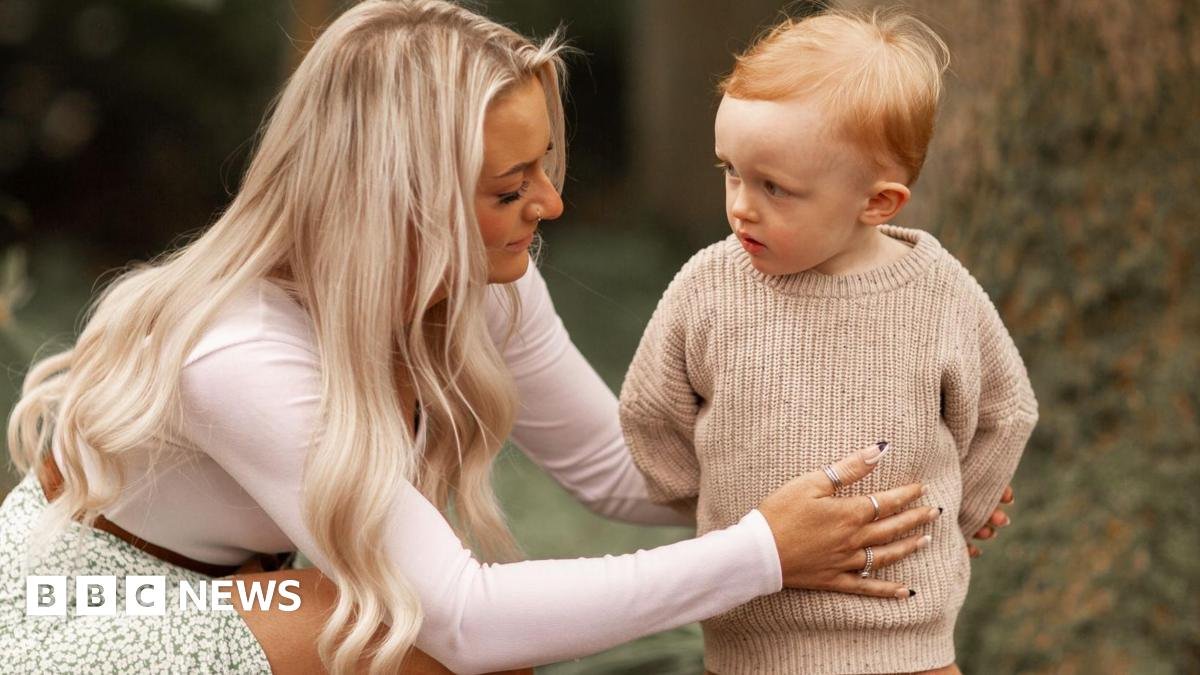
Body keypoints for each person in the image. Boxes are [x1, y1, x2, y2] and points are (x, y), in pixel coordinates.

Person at [0, 2, 1007, 673]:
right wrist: (761, 554)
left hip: (248, 586)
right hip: (65, 614)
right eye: (509, 187)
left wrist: (886, 490)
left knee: (405, 628)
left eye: (544, 166)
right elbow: (467, 622)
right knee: (408, 642)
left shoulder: (482, 288)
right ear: (401, 197)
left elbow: (630, 472)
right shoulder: (238, 353)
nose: (553, 202)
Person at [619, 8, 1039, 675]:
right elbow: (650, 413)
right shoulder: (708, 288)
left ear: (877, 203)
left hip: (909, 645)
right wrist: (724, 508)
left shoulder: (935, 290)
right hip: (749, 643)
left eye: (775, 187)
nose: (740, 206)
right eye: (732, 171)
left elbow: (1004, 410)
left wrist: (954, 515)